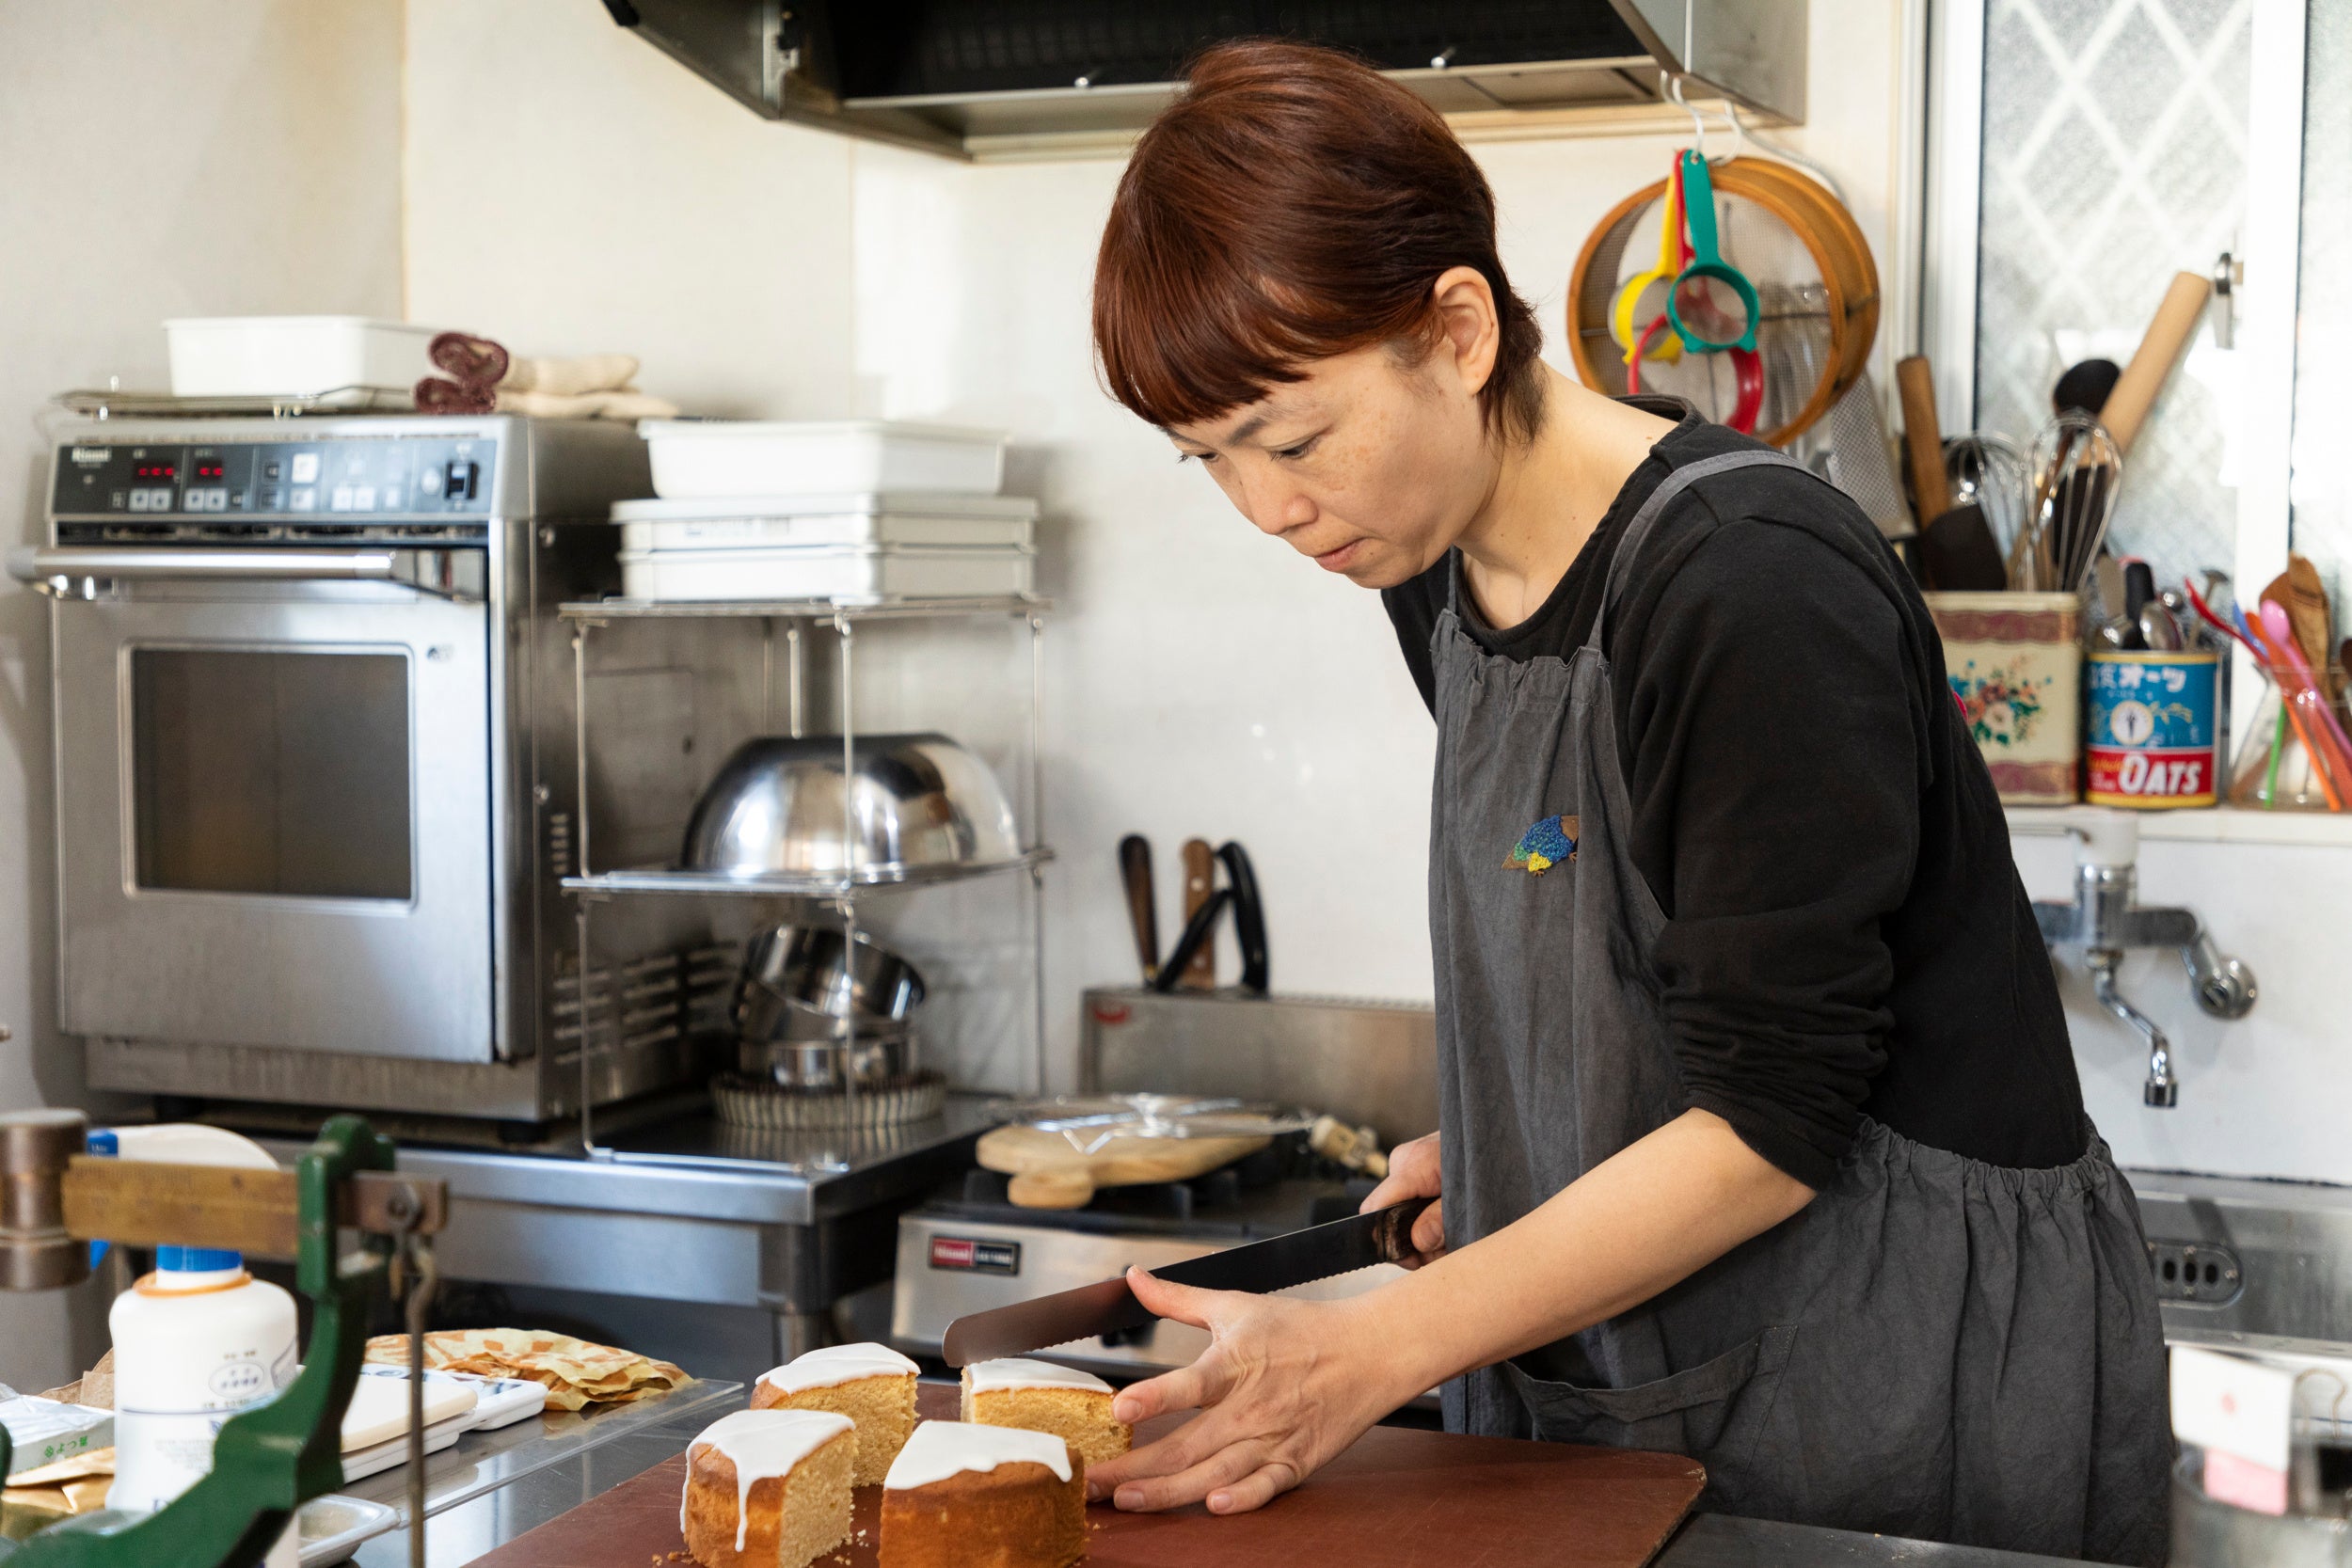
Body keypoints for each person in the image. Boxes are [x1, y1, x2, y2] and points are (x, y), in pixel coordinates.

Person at [1079, 39, 2170, 1566]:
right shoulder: (1431, 573)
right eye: (1212, 462)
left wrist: (1374, 1350)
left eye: (1293, 437)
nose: (1270, 510)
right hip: (1657, 1357)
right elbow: (1663, 953)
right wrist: (1525, 1138)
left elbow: (1776, 1114)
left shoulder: (1746, 582)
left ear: (1457, 330)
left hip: (1889, 1366)